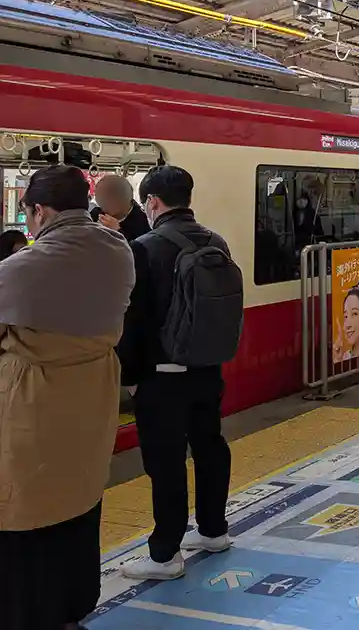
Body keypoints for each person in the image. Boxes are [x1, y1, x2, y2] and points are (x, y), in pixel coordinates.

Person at [0, 165, 135, 628]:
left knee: (23, 511)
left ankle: (26, 614)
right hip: (94, 396)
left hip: (32, 407)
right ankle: (72, 606)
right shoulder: (119, 251)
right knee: (79, 502)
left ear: (38, 211)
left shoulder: (20, 269)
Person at [119, 165, 236, 580]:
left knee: (165, 462)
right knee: (209, 446)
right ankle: (213, 530)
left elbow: (133, 319)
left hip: (162, 376)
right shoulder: (215, 241)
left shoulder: (145, 247)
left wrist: (129, 376)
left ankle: (165, 553)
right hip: (208, 368)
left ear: (151, 202)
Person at [90, 173, 152, 244]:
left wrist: (118, 231)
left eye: (109, 196)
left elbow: (141, 251)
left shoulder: (143, 221)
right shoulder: (94, 215)